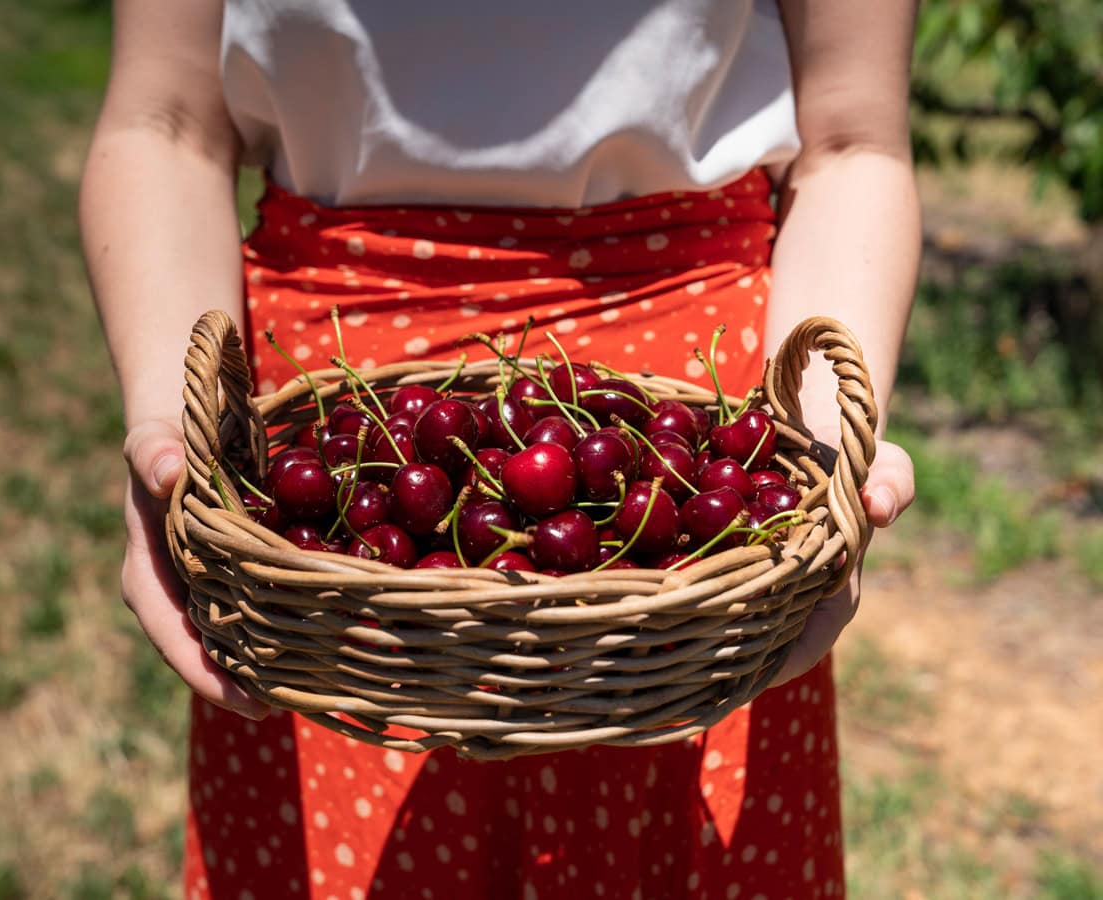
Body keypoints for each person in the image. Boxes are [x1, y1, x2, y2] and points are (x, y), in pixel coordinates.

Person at [81, 1, 918, 896]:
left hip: (690, 524)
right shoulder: (300, 541)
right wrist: (177, 431)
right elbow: (166, 123)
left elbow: (851, 142)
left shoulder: (715, 513)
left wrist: (820, 445)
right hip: (322, 530)